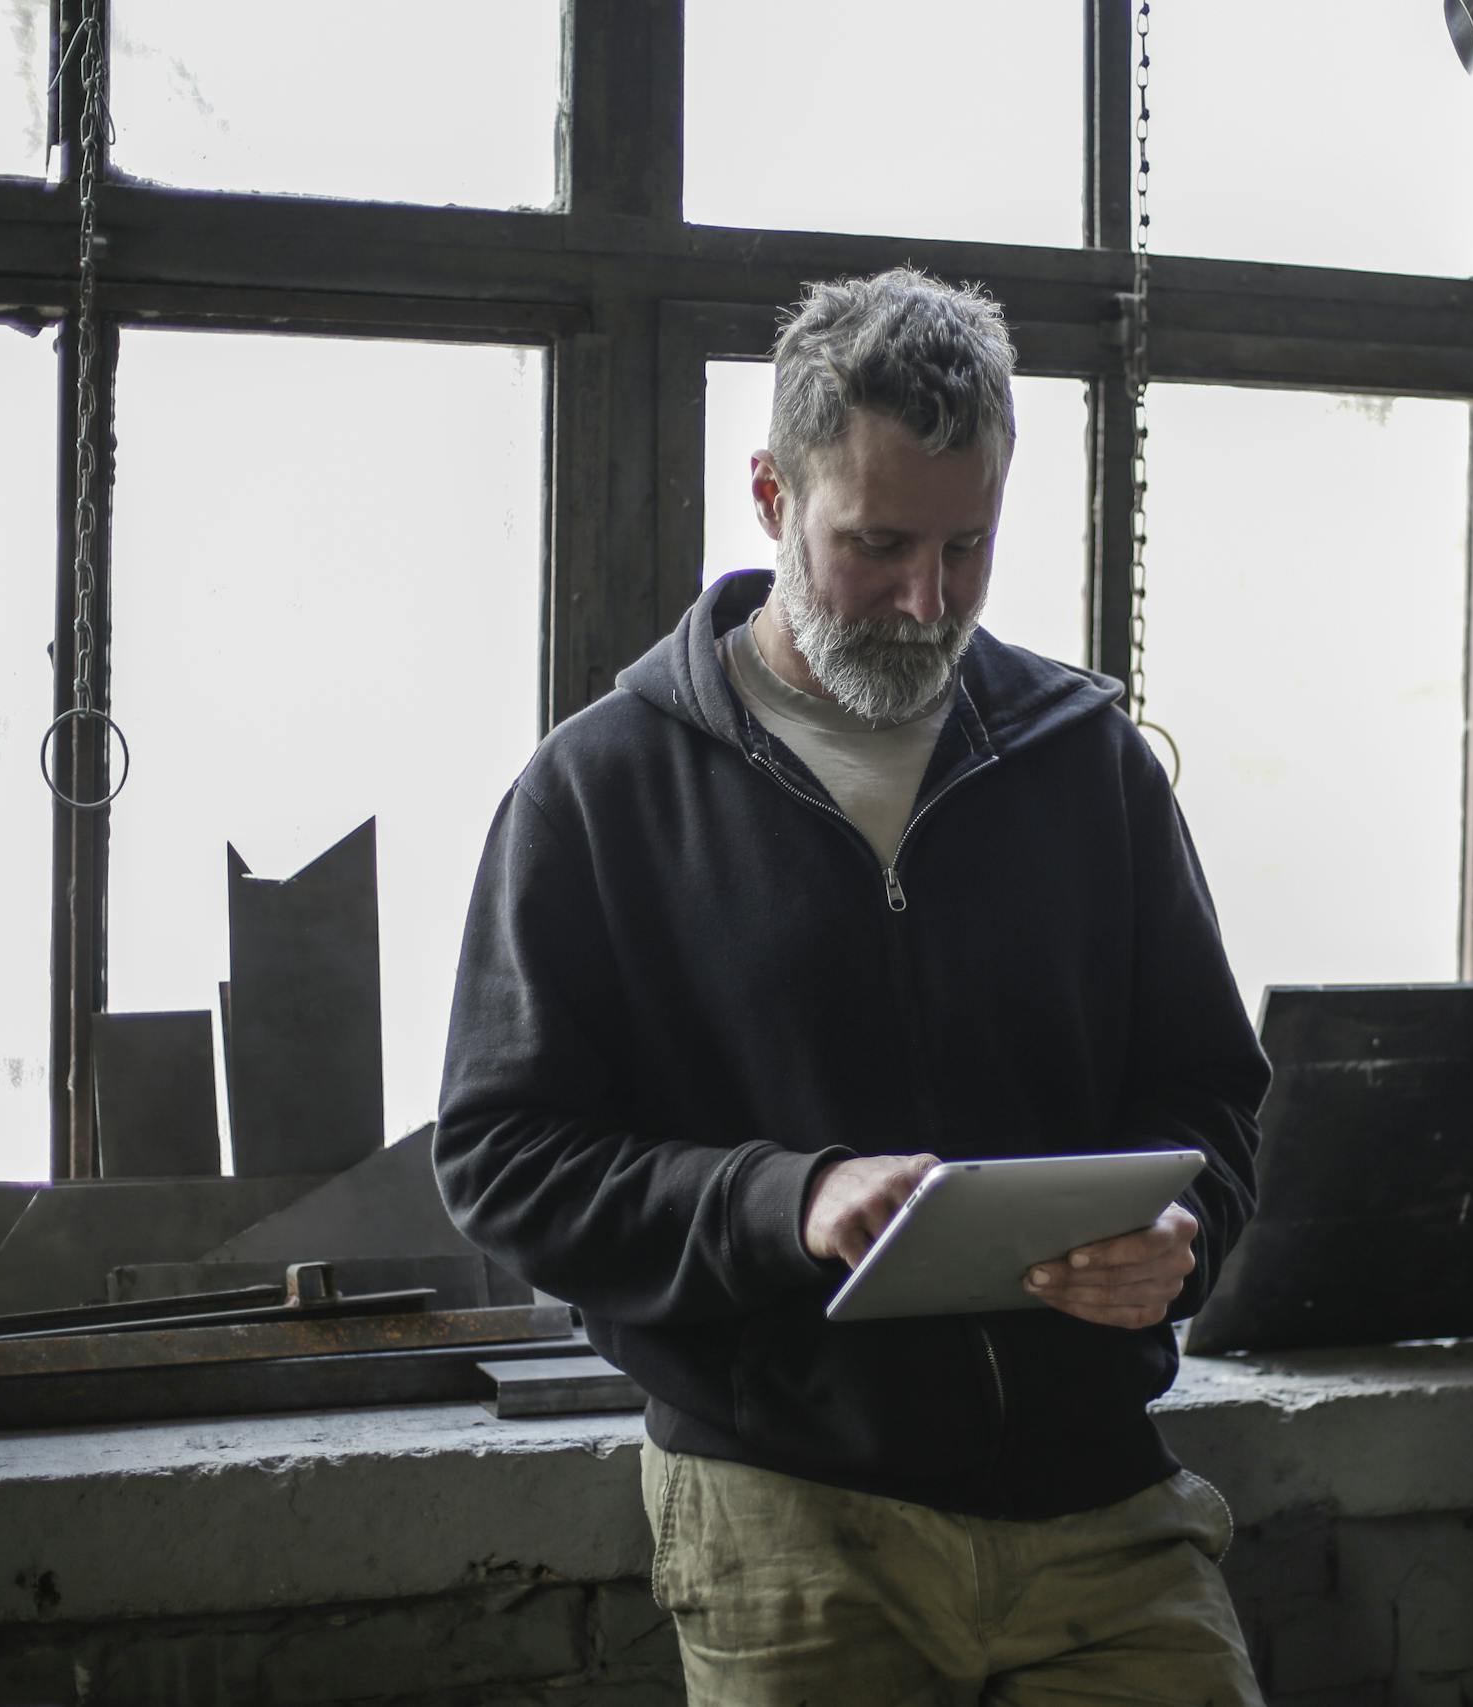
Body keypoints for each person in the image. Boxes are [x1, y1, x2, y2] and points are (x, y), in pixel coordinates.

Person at [435, 266, 1270, 1705]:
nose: (925, 600)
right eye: (877, 544)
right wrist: (790, 1201)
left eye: (967, 547)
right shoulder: (597, 792)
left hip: (1102, 1505)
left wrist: (1181, 1238)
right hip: (787, 1518)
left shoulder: (1092, 763)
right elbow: (503, 1158)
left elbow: (1212, 1097)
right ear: (772, 495)